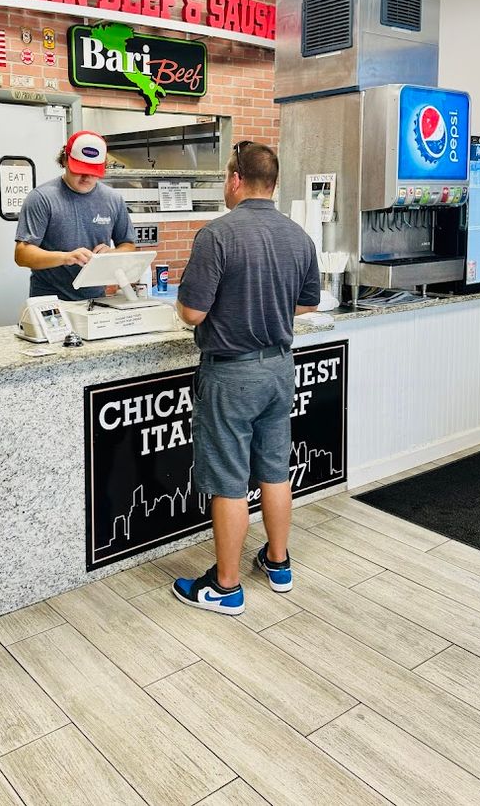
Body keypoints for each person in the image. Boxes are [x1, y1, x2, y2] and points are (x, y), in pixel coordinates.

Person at [172, 140, 320, 615]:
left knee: (229, 479)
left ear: (235, 179)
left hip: (231, 375)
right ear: (273, 183)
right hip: (279, 369)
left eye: (225, 177)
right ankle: (278, 563)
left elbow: (192, 313)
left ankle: (226, 586)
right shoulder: (298, 236)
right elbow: (307, 304)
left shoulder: (217, 235)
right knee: (275, 469)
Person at [14, 130, 136, 301]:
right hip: (50, 302)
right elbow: (22, 254)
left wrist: (112, 253)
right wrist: (66, 257)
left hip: (96, 301)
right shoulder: (41, 198)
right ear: (65, 160)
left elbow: (128, 246)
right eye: (80, 170)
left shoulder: (113, 200)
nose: (86, 177)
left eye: (93, 171)